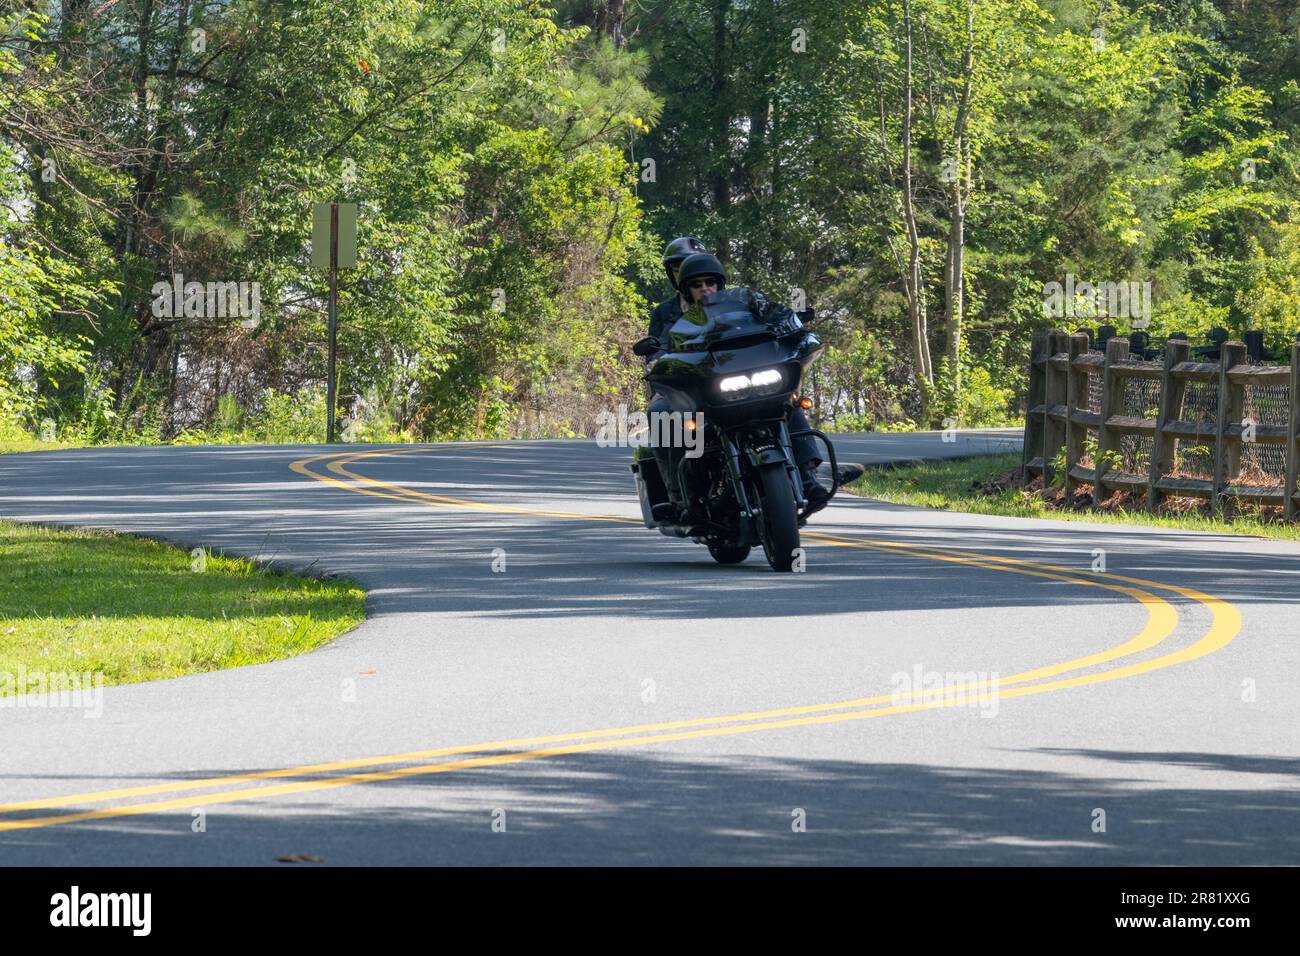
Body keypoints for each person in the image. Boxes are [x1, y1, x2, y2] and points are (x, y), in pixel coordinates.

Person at [644, 251, 834, 519]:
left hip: (748, 378)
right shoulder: (674, 316)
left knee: (788, 401)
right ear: (686, 289)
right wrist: (658, 361)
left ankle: (807, 478)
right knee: (662, 415)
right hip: (705, 387)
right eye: (697, 285)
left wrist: (795, 326)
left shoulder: (745, 300)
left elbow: (774, 317)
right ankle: (682, 498)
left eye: (710, 282)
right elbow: (659, 348)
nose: (705, 288)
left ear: (720, 283)